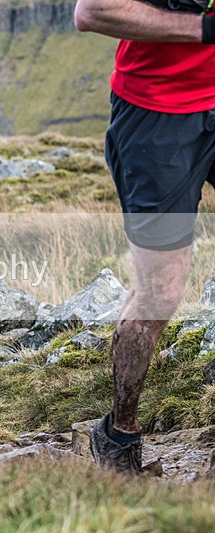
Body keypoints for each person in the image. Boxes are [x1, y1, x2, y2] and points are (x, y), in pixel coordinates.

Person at [75, 0, 215, 474]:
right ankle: (119, 433)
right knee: (161, 293)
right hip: (159, 115)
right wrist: (203, 28)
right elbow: (92, 12)